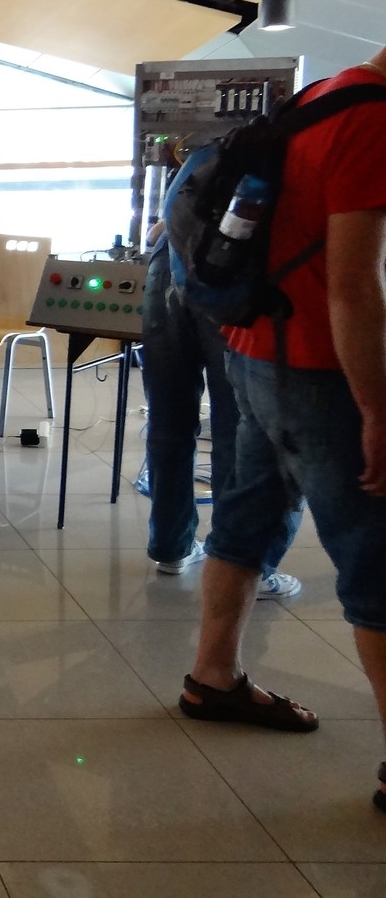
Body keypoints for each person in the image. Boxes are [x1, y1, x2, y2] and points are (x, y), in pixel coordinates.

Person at [175, 48, 386, 814]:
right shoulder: (372, 119)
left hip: (255, 348)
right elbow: (353, 286)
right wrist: (378, 410)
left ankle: (214, 675)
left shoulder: (323, 95)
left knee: (249, 513)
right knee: (375, 553)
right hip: (315, 371)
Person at [140, 238, 301, 596]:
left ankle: (173, 546)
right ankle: (248, 565)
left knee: (168, 422)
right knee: (244, 429)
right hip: (244, 268)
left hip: (170, 260)